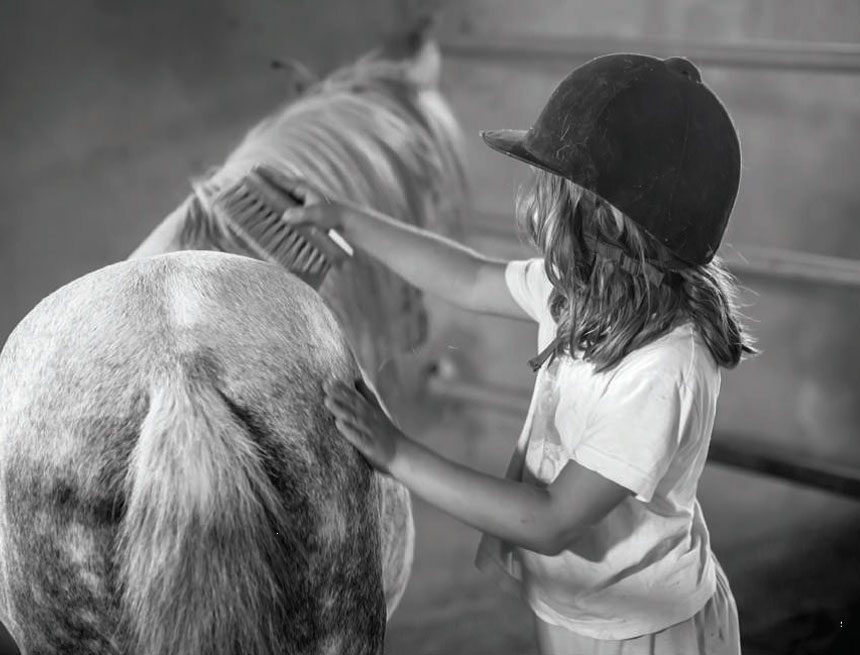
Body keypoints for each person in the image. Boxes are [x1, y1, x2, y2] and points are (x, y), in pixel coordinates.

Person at [278, 53, 755, 655]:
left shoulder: (665, 366)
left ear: (601, 217)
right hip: (582, 612)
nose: (539, 201)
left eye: (555, 187)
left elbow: (553, 520)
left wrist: (397, 454)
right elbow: (469, 277)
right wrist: (348, 218)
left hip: (646, 634)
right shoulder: (583, 289)